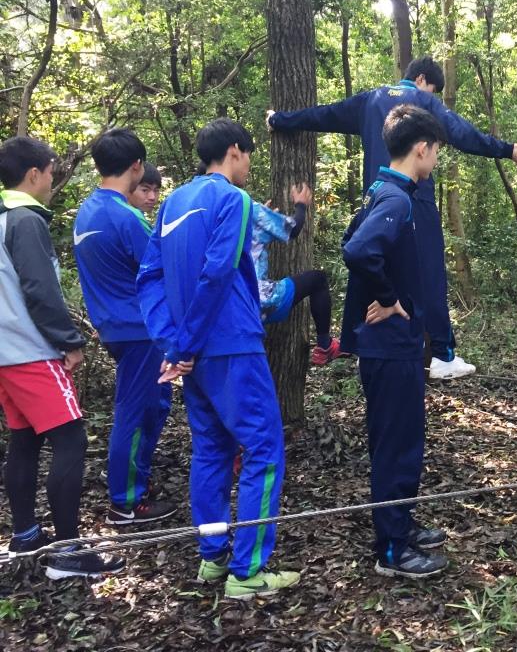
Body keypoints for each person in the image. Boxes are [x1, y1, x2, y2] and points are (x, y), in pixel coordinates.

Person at [267, 56, 517, 380]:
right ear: (422, 80)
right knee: (428, 274)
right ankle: (443, 356)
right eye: (433, 89)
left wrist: (281, 119)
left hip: (376, 197)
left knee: (375, 267)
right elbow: (463, 134)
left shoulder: (370, 99)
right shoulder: (423, 103)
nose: (431, 94)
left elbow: (324, 115)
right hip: (414, 198)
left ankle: (367, 348)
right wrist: (506, 149)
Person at [137, 118, 298, 600]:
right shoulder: (233, 201)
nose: (249, 166)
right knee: (264, 450)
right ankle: (247, 571)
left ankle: (212, 559)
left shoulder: (171, 204)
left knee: (211, 451)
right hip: (231, 344)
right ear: (234, 151)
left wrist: (174, 344)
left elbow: (148, 279)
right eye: (249, 156)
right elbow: (218, 272)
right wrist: (182, 346)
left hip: (195, 356)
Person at [0, 136, 124, 579]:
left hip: (6, 357)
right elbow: (39, 289)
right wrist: (68, 341)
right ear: (33, 174)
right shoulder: (24, 221)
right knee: (71, 440)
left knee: (25, 441)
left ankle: (26, 536)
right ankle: (69, 553)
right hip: (33, 353)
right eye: (51, 172)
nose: (53, 180)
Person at [342, 105, 448, 578]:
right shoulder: (396, 200)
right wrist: (388, 299)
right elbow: (359, 249)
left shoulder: (383, 190)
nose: (436, 161)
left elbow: (357, 239)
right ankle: (392, 549)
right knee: (397, 445)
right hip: (389, 347)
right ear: (422, 148)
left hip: (392, 345)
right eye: (437, 152)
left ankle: (399, 519)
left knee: (403, 440)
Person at [73, 128, 176, 526]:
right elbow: (160, 268)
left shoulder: (88, 211)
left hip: (116, 327)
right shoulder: (125, 216)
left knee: (152, 406)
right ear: (136, 166)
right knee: (133, 413)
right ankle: (125, 502)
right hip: (139, 329)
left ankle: (136, 482)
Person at [251, 182, 342, 364]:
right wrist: (300, 205)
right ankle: (325, 346)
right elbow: (294, 228)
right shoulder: (246, 207)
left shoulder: (212, 212)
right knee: (318, 280)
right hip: (260, 299)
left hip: (234, 305)